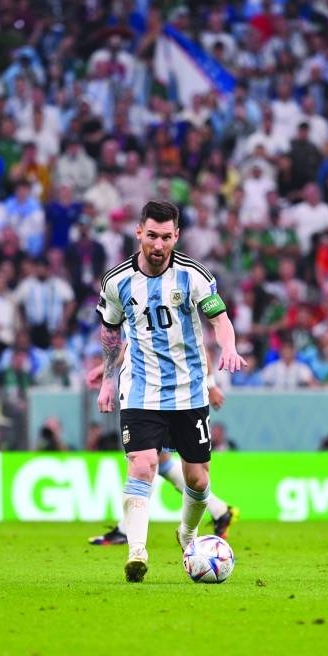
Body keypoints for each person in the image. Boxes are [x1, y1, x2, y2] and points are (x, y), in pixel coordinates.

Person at [95, 200, 246, 583]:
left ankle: (188, 534)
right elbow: (111, 333)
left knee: (197, 479)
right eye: (151, 236)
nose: (158, 245)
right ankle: (137, 553)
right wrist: (110, 380)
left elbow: (220, 319)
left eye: (166, 237)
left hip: (188, 392)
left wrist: (228, 346)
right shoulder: (116, 282)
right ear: (139, 234)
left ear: (176, 236)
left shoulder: (193, 276)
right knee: (142, 464)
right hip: (141, 388)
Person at [84, 355, 238, 545]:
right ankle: (219, 510)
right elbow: (130, 342)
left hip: (171, 398)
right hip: (150, 396)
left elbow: (199, 345)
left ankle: (127, 529)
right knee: (157, 462)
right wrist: (106, 368)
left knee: (147, 463)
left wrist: (211, 383)